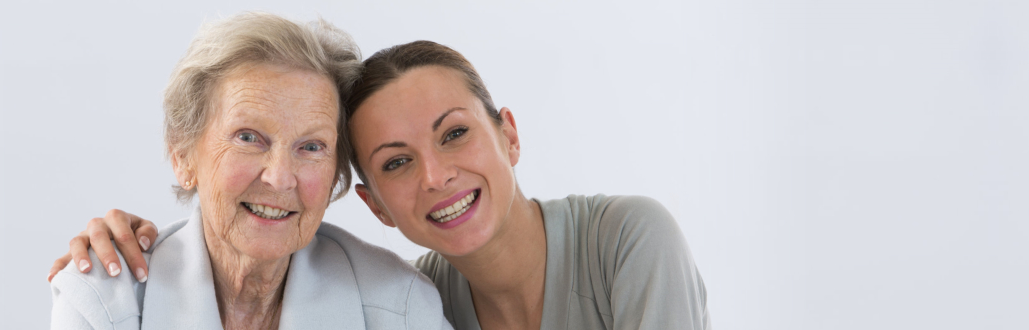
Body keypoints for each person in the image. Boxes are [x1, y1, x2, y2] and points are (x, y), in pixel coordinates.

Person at [54, 40, 709, 330]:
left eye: (455, 133)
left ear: (510, 133)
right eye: (395, 163)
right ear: (373, 204)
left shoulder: (628, 240)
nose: (435, 175)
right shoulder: (420, 295)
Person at [47, 12, 454, 330]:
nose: (279, 177)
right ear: (183, 154)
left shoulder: (399, 306)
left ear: (334, 177)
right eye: (248, 137)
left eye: (311, 147)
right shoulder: (102, 299)